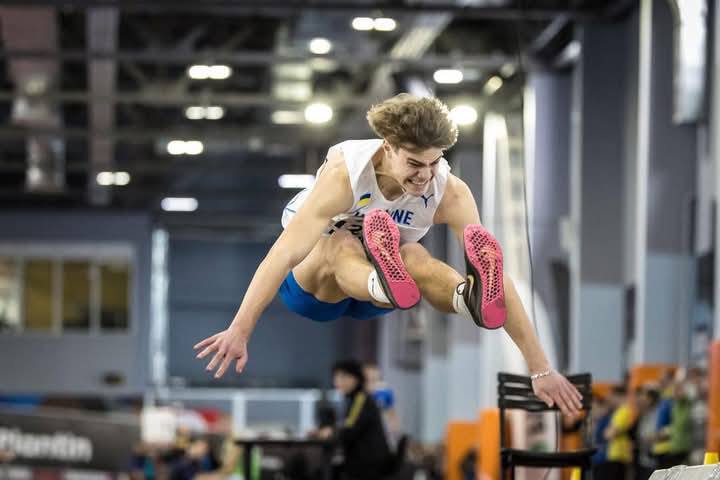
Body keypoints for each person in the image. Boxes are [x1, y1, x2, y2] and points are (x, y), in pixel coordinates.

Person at [194, 93, 583, 417]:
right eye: (414, 164)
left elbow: (501, 285)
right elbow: (283, 255)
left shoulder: (450, 192)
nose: (424, 176)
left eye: (434, 163)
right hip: (315, 291)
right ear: (387, 148)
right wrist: (241, 329)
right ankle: (383, 278)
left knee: (415, 256)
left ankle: (465, 299)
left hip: (382, 299)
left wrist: (540, 369)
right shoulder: (345, 176)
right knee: (342, 243)